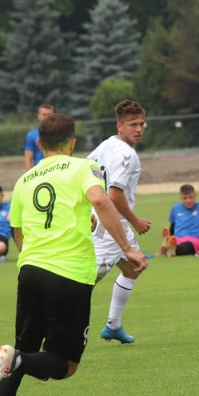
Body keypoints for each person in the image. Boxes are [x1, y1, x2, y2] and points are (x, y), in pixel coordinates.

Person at [0, 113, 147, 396]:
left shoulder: (24, 180)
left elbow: (18, 234)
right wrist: (128, 248)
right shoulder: (83, 168)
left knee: (23, 350)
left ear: (39, 144)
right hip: (69, 274)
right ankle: (15, 360)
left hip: (30, 271)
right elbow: (99, 198)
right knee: (65, 365)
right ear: (73, 142)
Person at [87, 100, 151, 344]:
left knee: (134, 268)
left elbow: (86, 172)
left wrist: (90, 209)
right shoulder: (126, 154)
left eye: (141, 123)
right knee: (83, 284)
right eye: (132, 124)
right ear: (120, 126)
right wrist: (135, 220)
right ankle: (55, 326)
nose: (138, 129)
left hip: (110, 223)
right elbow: (114, 194)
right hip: (110, 229)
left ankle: (113, 325)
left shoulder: (105, 145)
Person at [161, 184, 199, 256]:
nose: (188, 201)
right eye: (185, 198)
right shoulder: (176, 208)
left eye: (191, 197)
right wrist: (171, 238)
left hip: (195, 240)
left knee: (186, 247)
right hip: (179, 239)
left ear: (195, 196)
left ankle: (170, 249)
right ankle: (169, 246)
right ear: (180, 198)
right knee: (177, 245)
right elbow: (172, 228)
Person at [23, 103, 55, 169]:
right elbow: (28, 159)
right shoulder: (31, 135)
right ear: (38, 116)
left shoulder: (61, 133)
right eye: (44, 115)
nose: (47, 117)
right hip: (40, 172)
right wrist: (29, 177)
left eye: (49, 115)